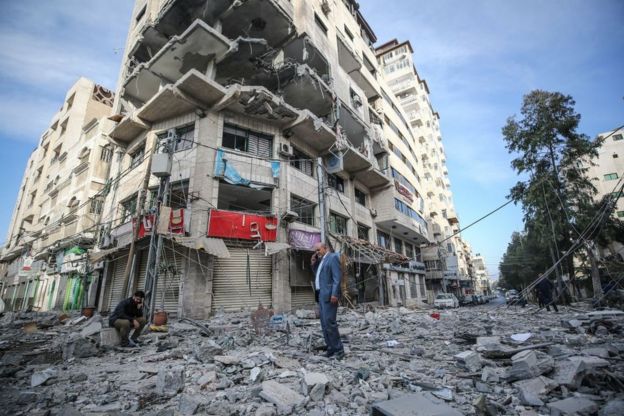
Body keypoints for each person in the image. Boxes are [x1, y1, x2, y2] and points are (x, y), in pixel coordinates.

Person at [311, 242, 344, 360]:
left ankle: (339, 349)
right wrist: (313, 263)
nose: (317, 252)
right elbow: (318, 276)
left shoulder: (333, 257)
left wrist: (335, 294)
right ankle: (330, 347)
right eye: (315, 250)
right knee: (324, 324)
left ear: (325, 248)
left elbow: (337, 277)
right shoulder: (321, 260)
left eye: (318, 250)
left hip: (330, 295)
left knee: (330, 322)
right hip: (321, 295)